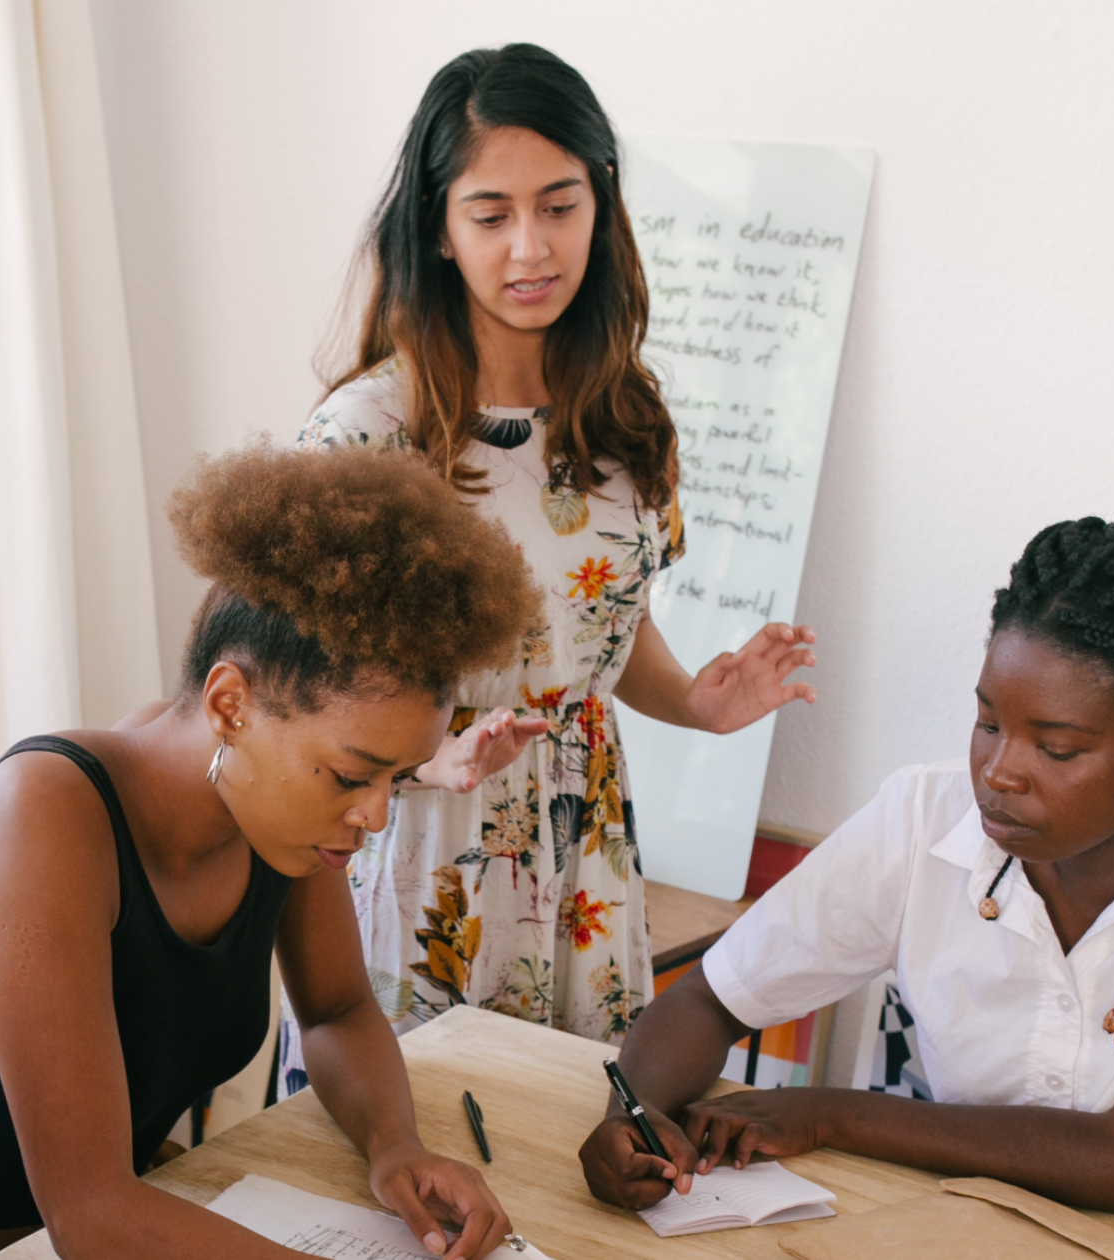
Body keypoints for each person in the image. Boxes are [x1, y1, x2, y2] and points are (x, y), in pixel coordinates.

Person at [284, 43, 816, 1076]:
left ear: (601, 205)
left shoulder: (626, 419)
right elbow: (286, 693)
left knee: (568, 1168)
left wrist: (701, 704)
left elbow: (604, 638)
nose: (530, 248)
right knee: (408, 1170)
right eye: (491, 215)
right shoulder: (363, 439)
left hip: (585, 853)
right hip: (423, 844)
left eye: (559, 205)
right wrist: (424, 760)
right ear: (438, 228)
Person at [0, 442, 540, 1260]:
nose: (377, 815)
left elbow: (340, 1010)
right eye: (353, 774)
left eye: (399, 775)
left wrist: (396, 1147)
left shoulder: (274, 817)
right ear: (230, 704)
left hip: (145, 1203)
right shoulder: (40, 816)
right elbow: (88, 1213)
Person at [579, 514, 1114, 1216]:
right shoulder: (927, 817)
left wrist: (828, 1115)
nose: (999, 772)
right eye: (988, 723)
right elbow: (710, 1000)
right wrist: (637, 1114)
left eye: (1058, 750)